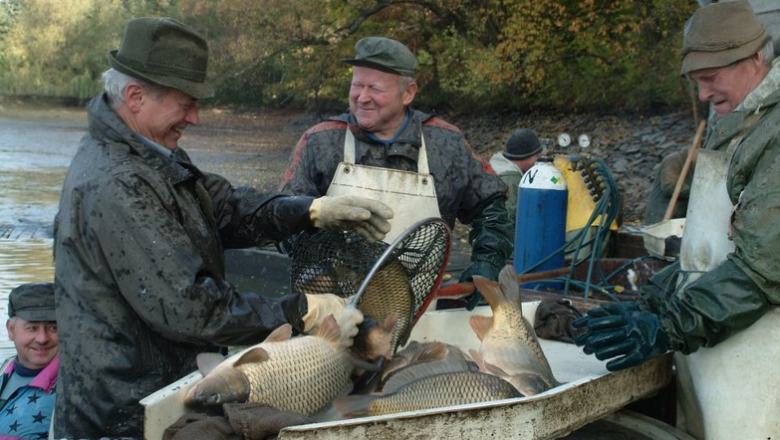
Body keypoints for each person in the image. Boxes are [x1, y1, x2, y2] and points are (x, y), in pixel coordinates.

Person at [53, 17, 393, 438]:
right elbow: (191, 307)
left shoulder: (152, 151)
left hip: (167, 389)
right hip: (122, 414)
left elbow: (225, 207)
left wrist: (309, 210)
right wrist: (301, 310)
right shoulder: (116, 182)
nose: (195, 117)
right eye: (185, 103)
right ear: (136, 96)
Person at [574, 1, 780, 438]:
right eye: (697, 81)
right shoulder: (739, 119)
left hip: (760, 356)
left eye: (711, 78)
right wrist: (651, 299)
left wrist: (666, 325)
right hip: (709, 345)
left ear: (756, 58)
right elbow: (704, 255)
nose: (703, 94)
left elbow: (762, 273)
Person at [279, 37, 513, 309]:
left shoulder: (447, 143)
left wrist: (487, 262)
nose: (362, 97)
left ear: (408, 92)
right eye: (357, 85)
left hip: (422, 310)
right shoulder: (320, 141)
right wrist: (321, 259)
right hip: (332, 311)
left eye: (375, 89)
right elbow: (283, 216)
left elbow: (491, 209)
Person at [0, 282, 58, 440]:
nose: (42, 339)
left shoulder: (79, 387)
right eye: (32, 328)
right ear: (11, 330)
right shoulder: (3, 370)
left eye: (53, 328)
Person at [489, 129, 543, 238]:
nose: (539, 159)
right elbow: (508, 218)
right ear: (525, 156)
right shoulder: (510, 177)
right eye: (537, 155)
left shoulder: (499, 168)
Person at [643, 148, 695, 224]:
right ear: (695, 150)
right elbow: (669, 186)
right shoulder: (674, 160)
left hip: (679, 217)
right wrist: (696, 193)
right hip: (661, 215)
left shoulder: (695, 165)